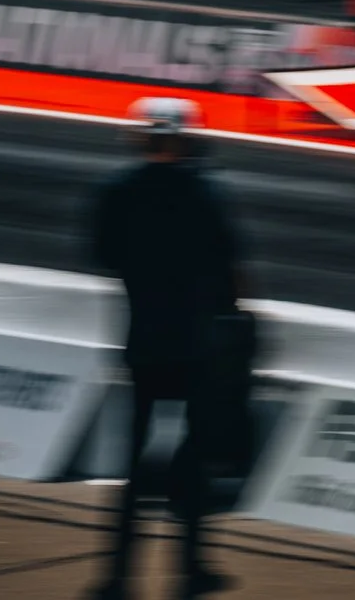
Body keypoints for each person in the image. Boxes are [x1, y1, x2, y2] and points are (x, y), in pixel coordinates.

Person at [88, 98, 247, 600]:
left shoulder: (117, 191)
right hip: (198, 345)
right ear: (187, 139)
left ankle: (117, 578)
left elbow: (102, 255)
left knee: (133, 465)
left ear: (140, 138)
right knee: (194, 461)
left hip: (142, 340)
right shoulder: (207, 193)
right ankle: (189, 569)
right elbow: (230, 266)